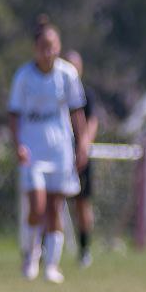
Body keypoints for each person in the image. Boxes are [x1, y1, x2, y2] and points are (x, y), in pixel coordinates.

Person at [8, 16, 89, 284]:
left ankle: (52, 265)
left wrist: (83, 143)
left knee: (55, 207)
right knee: (36, 206)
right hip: (33, 150)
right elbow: (14, 114)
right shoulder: (23, 76)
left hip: (60, 150)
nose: (48, 50)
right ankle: (31, 255)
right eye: (43, 45)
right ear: (35, 48)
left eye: (52, 45)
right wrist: (18, 144)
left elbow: (77, 112)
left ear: (59, 46)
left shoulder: (68, 75)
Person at [63, 50, 98, 268]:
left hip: (79, 155)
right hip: (58, 153)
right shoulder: (56, 91)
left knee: (82, 203)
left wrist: (83, 147)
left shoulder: (86, 94)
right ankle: (47, 249)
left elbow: (92, 121)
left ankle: (84, 250)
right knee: (53, 202)